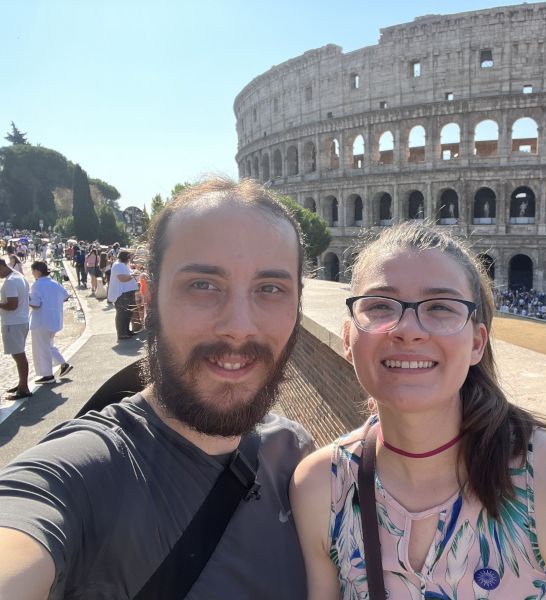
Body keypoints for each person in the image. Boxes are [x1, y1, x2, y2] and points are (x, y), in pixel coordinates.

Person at [0, 178, 313, 599]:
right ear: (148, 296)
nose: (239, 326)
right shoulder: (78, 474)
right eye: (203, 284)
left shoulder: (297, 456)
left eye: (271, 289)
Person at [291, 222, 546, 599]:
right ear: (347, 338)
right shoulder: (320, 487)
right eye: (380, 306)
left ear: (477, 343)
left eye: (440, 307)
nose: (408, 330)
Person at [28, 261, 72, 385]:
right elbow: (65, 296)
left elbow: (36, 304)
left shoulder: (37, 285)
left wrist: (26, 298)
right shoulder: (54, 282)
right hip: (54, 319)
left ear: (37, 271)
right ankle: (63, 364)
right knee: (48, 346)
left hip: (41, 321)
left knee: (42, 349)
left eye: (33, 271)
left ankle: (47, 375)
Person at [0, 258, 32, 399]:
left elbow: (12, 305)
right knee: (18, 355)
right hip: (20, 321)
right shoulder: (19, 276)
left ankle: (24, 388)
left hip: (13, 323)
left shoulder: (11, 282)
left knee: (19, 356)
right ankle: (21, 384)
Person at [108, 250, 141, 340]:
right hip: (122, 294)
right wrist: (133, 275)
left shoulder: (123, 264)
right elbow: (122, 278)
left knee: (128, 313)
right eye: (130, 256)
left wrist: (133, 272)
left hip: (127, 292)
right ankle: (122, 333)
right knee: (122, 314)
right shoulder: (118, 265)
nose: (131, 258)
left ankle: (126, 331)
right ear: (126, 257)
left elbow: (128, 273)